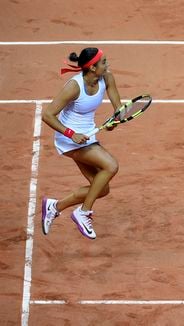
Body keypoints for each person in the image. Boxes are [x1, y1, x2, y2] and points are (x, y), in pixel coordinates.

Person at [41, 48, 121, 239]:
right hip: (69, 140)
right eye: (103, 62)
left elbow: (119, 109)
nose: (107, 65)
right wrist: (71, 133)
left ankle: (55, 206)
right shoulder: (74, 86)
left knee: (101, 189)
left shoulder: (107, 78)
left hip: (88, 137)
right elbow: (47, 115)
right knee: (111, 166)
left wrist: (115, 120)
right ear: (92, 67)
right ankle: (83, 212)